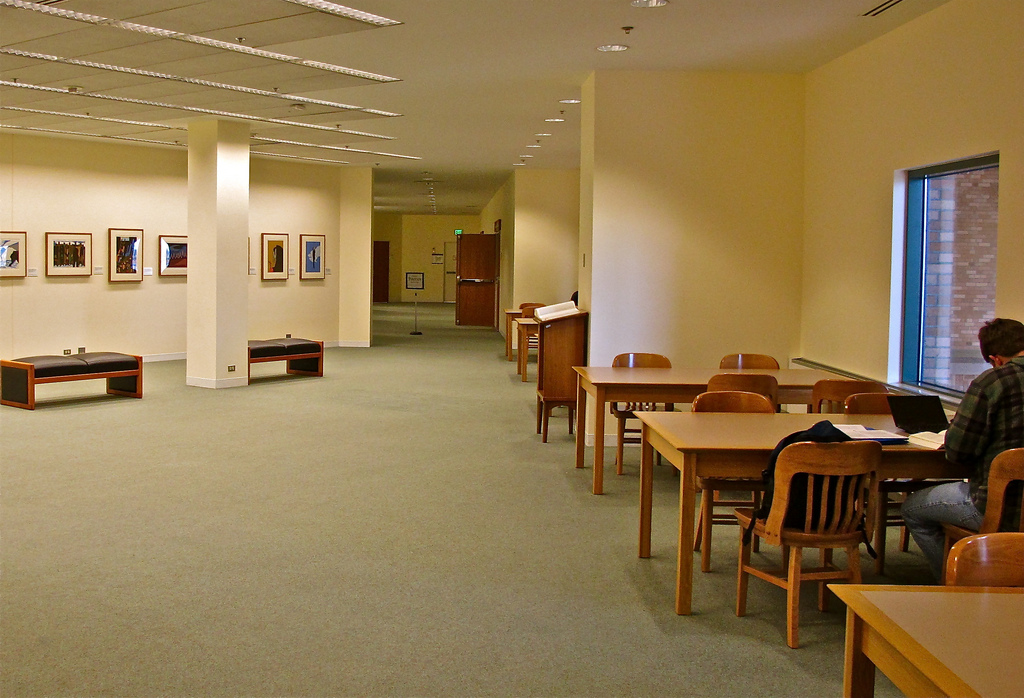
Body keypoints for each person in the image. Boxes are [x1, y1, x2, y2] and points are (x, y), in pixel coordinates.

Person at [901, 317, 1024, 580]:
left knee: (912, 508)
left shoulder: (992, 383)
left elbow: (958, 452)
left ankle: (956, 582)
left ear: (996, 358)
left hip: (1002, 507)